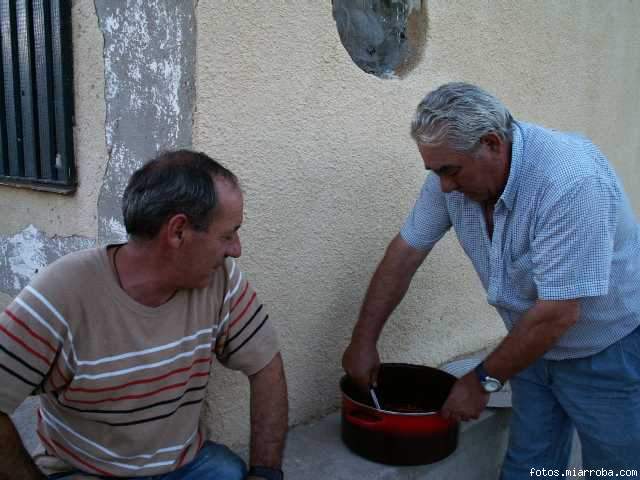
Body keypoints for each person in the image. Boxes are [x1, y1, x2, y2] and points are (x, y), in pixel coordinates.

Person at [342, 82, 640, 477]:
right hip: (529, 345)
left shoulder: (569, 181)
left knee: (617, 469)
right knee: (530, 464)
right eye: (435, 172)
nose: (444, 186)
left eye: (451, 171)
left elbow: (559, 313)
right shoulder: (450, 176)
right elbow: (405, 254)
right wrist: (363, 339)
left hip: (606, 353)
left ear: (492, 143)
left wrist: (483, 380)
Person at [0, 150, 288, 480]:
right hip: (86, 470)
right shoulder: (61, 295)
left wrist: (266, 473)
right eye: (227, 234)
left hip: (185, 468)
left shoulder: (220, 281)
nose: (236, 249)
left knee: (228, 473)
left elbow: (267, 365)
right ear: (178, 231)